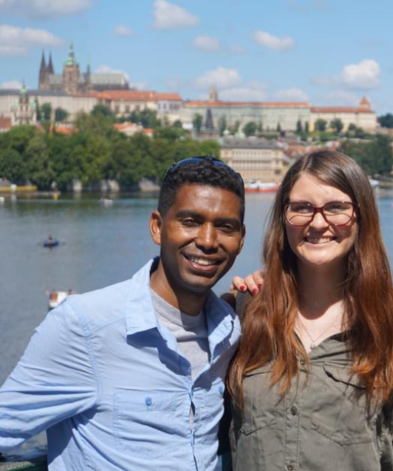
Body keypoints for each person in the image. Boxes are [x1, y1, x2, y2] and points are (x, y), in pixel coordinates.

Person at [0, 156, 246, 470]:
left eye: (225, 227)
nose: (208, 241)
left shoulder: (229, 329)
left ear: (240, 240)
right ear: (157, 227)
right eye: (190, 222)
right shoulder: (85, 327)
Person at [226, 150, 393, 471]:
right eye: (301, 208)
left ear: (361, 215)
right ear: (283, 217)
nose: (318, 222)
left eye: (336, 208)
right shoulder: (245, 309)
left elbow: (391, 439)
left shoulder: (389, 325)